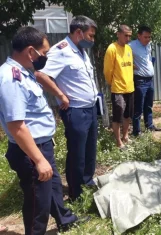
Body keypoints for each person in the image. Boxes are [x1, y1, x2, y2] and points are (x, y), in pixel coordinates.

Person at [0, 26, 85, 234]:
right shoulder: (12, 78)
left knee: (53, 187)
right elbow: (16, 126)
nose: (44, 57)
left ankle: (65, 219)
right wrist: (38, 160)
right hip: (30, 151)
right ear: (31, 51)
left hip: (41, 146)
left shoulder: (24, 73)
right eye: (44, 53)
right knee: (38, 202)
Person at [35, 15, 99, 201]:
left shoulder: (80, 51)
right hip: (76, 111)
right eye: (90, 35)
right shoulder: (61, 50)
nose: (92, 39)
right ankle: (75, 193)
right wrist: (61, 95)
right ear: (78, 32)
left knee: (89, 150)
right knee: (77, 153)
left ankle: (87, 181)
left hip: (90, 108)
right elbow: (41, 75)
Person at [103, 25, 134, 150]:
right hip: (118, 90)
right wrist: (113, 83)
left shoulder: (128, 49)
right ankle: (118, 141)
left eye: (129, 36)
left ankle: (126, 136)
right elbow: (107, 71)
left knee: (127, 116)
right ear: (118, 34)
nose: (128, 38)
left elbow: (130, 67)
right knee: (117, 117)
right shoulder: (112, 49)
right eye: (125, 35)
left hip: (130, 88)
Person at [129, 26, 161, 136]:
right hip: (140, 80)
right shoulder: (131, 46)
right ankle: (136, 131)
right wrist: (131, 65)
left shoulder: (148, 45)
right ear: (138, 36)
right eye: (145, 37)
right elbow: (122, 58)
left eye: (149, 37)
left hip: (149, 80)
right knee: (138, 106)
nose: (148, 39)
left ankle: (149, 125)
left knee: (148, 104)